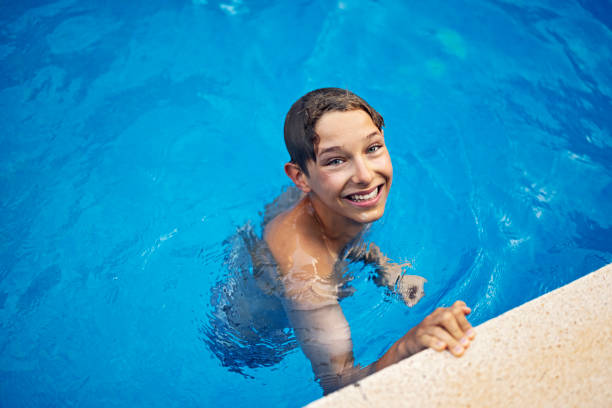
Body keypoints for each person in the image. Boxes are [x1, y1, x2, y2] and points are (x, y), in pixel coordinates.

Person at [260, 88, 476, 394]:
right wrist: (406, 347)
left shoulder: (332, 197)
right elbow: (338, 386)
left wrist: (382, 264)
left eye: (373, 148)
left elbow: (336, 233)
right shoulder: (307, 275)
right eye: (336, 161)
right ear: (301, 178)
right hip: (260, 345)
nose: (365, 175)